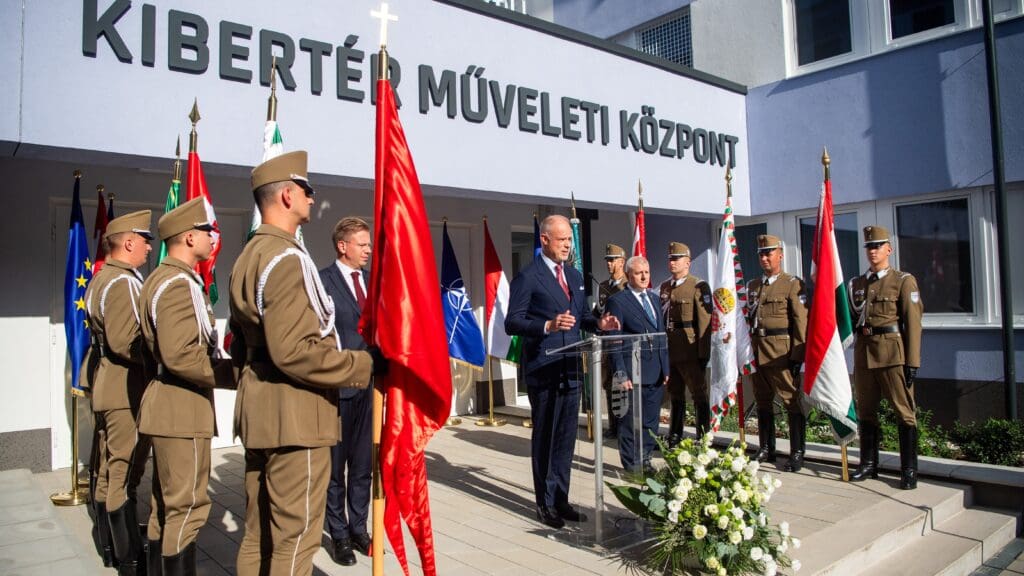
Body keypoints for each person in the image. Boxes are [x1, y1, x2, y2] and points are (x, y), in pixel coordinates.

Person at [229, 150, 384, 575]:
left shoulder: (249, 254)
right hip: (295, 414)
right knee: (295, 541)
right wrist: (363, 365)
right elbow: (294, 350)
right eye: (306, 191)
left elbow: (241, 346)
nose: (312, 199)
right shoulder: (286, 258)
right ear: (285, 196)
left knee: (259, 533)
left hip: (263, 408)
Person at [138, 197, 235, 575]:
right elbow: (179, 356)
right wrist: (234, 375)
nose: (213, 237)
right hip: (180, 408)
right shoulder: (176, 284)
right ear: (188, 236)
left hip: (172, 405)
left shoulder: (168, 278)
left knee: (167, 506)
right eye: (208, 231)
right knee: (188, 508)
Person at [505, 214, 619, 530]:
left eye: (570, 239)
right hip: (545, 366)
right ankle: (545, 503)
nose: (568, 245)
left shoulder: (573, 275)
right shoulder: (528, 277)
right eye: (562, 239)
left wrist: (599, 323)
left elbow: (581, 316)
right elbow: (512, 321)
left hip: (571, 366)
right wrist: (546, 325)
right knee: (547, 436)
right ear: (544, 240)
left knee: (567, 437)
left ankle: (561, 498)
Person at [83, 210, 154, 575]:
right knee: (123, 473)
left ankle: (108, 544)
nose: (147, 247)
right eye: (145, 240)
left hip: (106, 381)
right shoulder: (124, 282)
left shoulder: (102, 278)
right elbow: (127, 342)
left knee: (110, 469)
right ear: (129, 242)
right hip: (124, 384)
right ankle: (128, 558)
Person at [849, 225, 923, 489]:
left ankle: (909, 470)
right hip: (864, 354)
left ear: (888, 249)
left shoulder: (903, 281)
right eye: (869, 247)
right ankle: (869, 465)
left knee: (904, 413)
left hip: (892, 355)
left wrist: (912, 362)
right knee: (866, 412)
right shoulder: (857, 284)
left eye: (877, 246)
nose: (873, 251)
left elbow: (913, 324)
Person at [319, 217, 374, 566]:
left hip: (370, 389)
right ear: (343, 246)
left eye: (369, 245)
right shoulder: (323, 281)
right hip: (337, 389)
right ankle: (338, 535)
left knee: (363, 465)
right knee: (335, 468)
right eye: (362, 244)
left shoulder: (372, 282)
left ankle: (359, 527)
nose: (368, 250)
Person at [746, 234, 808, 471]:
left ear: (780, 254)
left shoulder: (792, 284)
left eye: (769, 252)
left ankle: (797, 451)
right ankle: (766, 448)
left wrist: (797, 356)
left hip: (781, 353)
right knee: (762, 401)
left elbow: (800, 322)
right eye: (761, 253)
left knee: (791, 401)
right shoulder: (754, 286)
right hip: (758, 351)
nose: (764, 257)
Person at [605, 256, 669, 473]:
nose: (644, 277)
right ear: (629, 275)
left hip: (655, 371)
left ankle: (646, 458)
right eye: (638, 273)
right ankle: (632, 465)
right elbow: (614, 341)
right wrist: (620, 373)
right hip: (633, 372)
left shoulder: (654, 299)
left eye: (647, 272)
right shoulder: (618, 301)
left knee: (651, 421)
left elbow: (661, 335)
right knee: (630, 422)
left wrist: (665, 366)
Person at [658, 242, 712, 444]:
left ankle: (703, 436)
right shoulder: (665, 287)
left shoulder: (698, 286)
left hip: (689, 348)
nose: (672, 262)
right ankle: (675, 434)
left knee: (698, 392)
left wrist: (703, 354)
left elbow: (704, 322)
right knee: (675, 392)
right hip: (670, 347)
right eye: (670, 258)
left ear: (687, 262)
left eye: (676, 258)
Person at [595, 243, 627, 439]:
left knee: (622, 383)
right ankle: (613, 426)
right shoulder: (604, 286)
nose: (609, 264)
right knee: (608, 383)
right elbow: (600, 310)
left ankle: (624, 426)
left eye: (613, 260)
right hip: (607, 342)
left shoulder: (628, 285)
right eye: (607, 260)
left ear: (622, 262)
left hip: (624, 342)